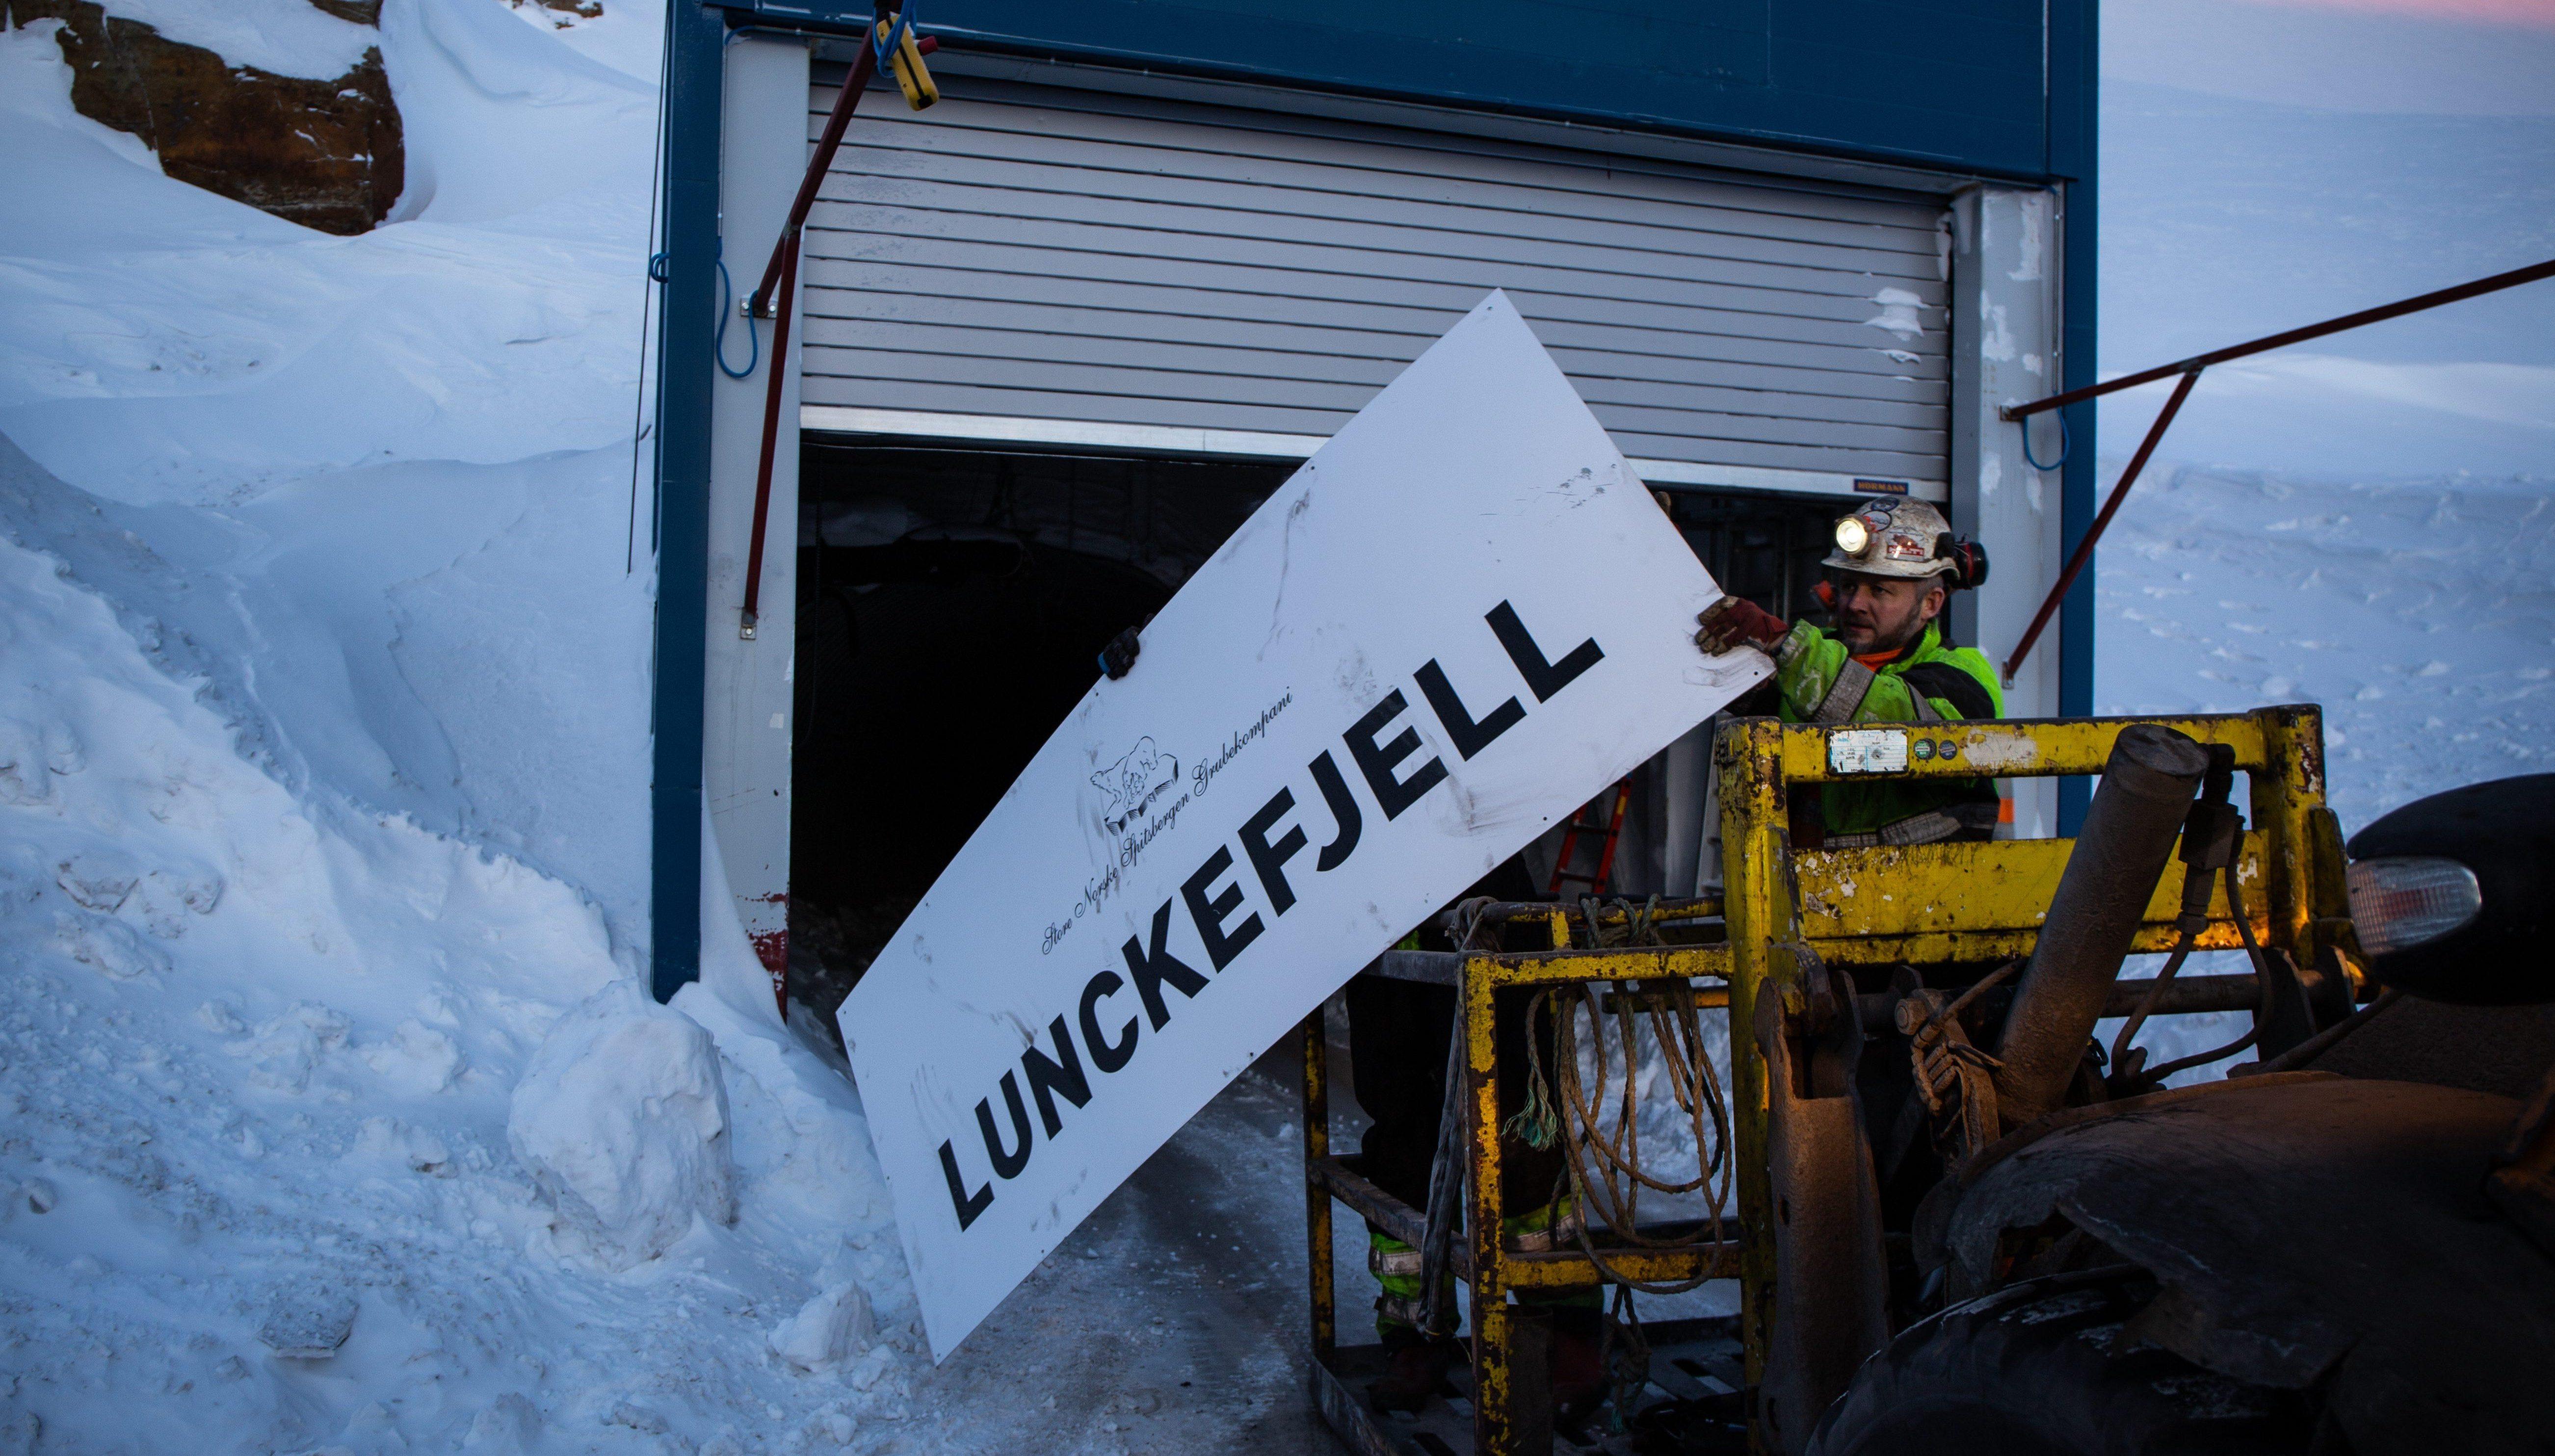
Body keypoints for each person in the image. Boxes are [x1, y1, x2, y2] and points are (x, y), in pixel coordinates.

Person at [1692, 497, 2002, 848]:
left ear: (1931, 603)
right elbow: (1715, 676)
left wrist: (1780, 640)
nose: (1855, 604)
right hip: (1800, 889)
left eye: (1879, 590)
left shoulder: (1963, 674)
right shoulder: (1808, 658)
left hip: (1918, 896)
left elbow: (1890, 717)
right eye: (1849, 586)